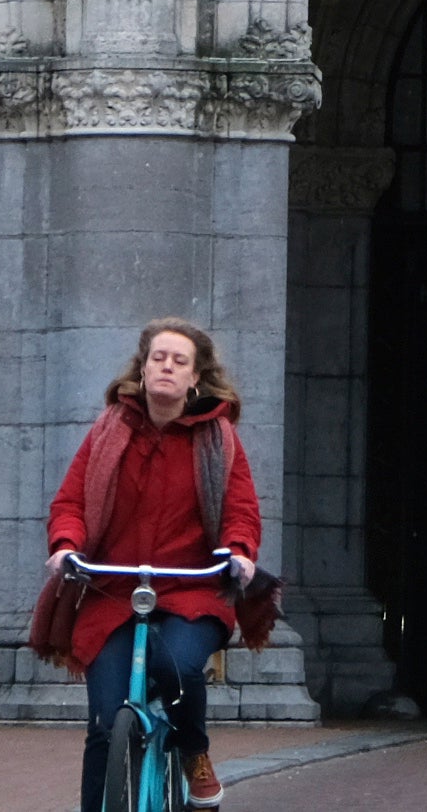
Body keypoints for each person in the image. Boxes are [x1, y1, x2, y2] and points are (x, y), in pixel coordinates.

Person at [33, 319, 272, 812]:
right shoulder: (107, 432)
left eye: (179, 361)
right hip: (114, 592)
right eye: (157, 358)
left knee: (179, 666)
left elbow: (240, 511)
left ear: (195, 379)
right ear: (141, 372)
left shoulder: (218, 440)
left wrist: (240, 552)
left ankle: (193, 754)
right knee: (104, 723)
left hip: (191, 590)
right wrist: (65, 544)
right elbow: (71, 502)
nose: (166, 367)